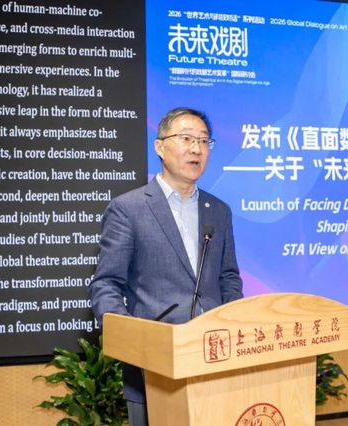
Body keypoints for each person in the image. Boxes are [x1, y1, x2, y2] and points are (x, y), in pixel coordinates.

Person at [88, 107, 244, 426]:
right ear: (159, 146)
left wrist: (236, 324)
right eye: (186, 138)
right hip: (154, 364)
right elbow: (106, 284)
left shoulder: (219, 211)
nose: (196, 149)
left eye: (204, 141)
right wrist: (130, 337)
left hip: (215, 357)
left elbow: (228, 277)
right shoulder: (128, 209)